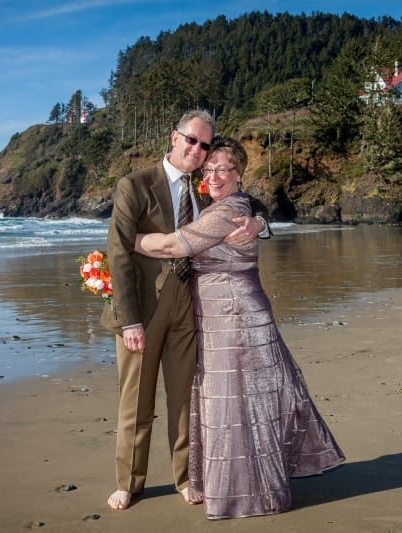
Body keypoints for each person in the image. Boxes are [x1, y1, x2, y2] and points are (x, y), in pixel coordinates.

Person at [135, 136, 345, 519]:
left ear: (239, 174)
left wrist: (126, 239)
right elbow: (257, 214)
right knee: (238, 399)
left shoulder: (227, 211)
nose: (213, 175)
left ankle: (246, 492)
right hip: (222, 314)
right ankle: (246, 485)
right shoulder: (227, 206)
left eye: (223, 169)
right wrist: (262, 223)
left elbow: (172, 247)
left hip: (235, 316)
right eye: (209, 168)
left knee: (235, 400)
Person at [101, 110, 269, 511]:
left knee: (184, 401)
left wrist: (261, 221)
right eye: (191, 140)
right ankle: (129, 482)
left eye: (204, 144)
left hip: (188, 307)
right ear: (174, 138)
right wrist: (130, 320)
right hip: (144, 309)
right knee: (137, 403)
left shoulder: (204, 188)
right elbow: (118, 254)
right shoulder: (135, 184)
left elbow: (248, 200)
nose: (197, 149)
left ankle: (185, 478)